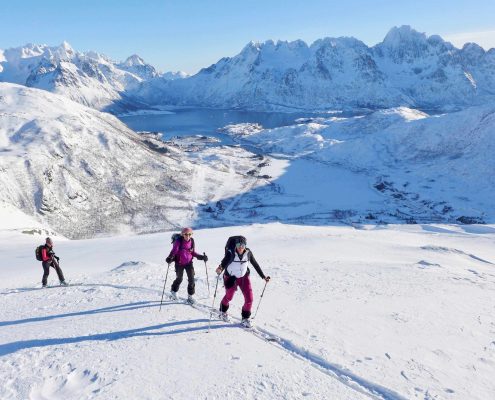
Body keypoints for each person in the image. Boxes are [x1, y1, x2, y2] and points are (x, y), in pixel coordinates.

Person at [215, 236, 270, 327]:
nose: (240, 247)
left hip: (244, 277)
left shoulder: (248, 253)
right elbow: (224, 262)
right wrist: (220, 268)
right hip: (231, 278)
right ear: (235, 245)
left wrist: (263, 276)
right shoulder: (231, 253)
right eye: (238, 245)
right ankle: (222, 312)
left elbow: (255, 264)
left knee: (249, 299)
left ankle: (245, 318)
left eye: (242, 245)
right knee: (229, 297)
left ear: (245, 245)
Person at [166, 227, 208, 304]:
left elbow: (193, 252)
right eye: (185, 234)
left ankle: (190, 296)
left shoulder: (192, 241)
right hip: (179, 263)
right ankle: (173, 291)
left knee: (191, 280)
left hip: (189, 263)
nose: (187, 236)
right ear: (182, 234)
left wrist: (202, 257)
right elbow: (174, 251)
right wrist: (170, 258)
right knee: (179, 278)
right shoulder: (178, 241)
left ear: (191, 234)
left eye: (189, 234)